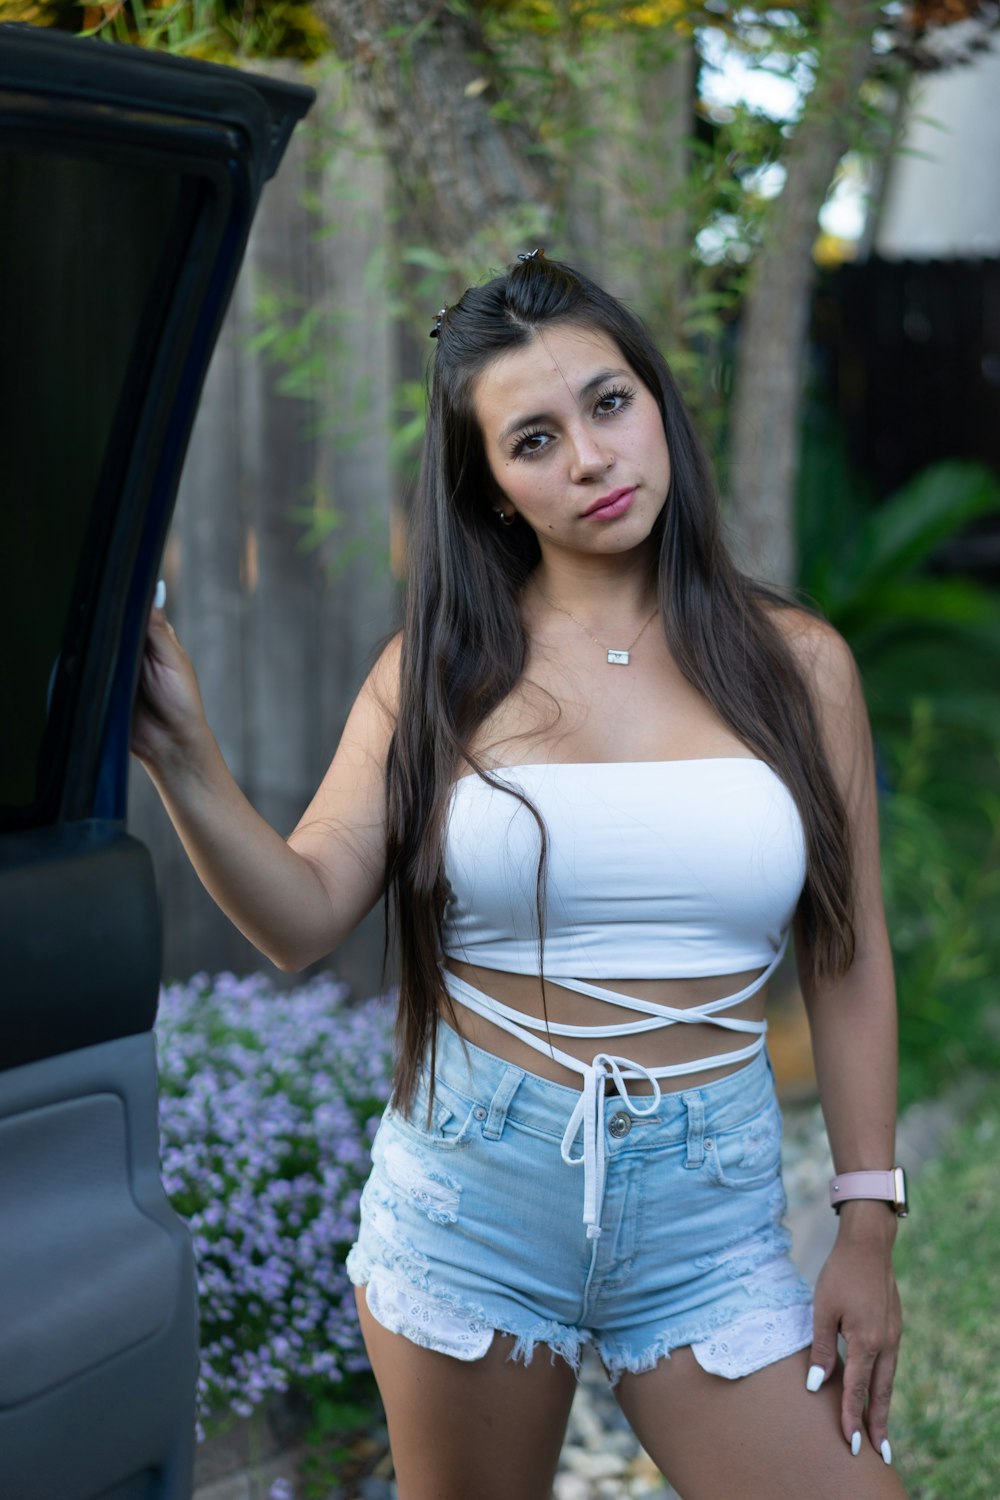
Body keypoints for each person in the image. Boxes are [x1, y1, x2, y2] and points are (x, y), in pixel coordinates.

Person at [132, 251, 909, 1500]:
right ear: (490, 485)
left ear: (657, 403)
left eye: (608, 405)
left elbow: (848, 949)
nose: (591, 459)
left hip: (708, 1218)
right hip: (473, 1198)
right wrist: (181, 755)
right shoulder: (434, 675)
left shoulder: (798, 667)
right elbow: (301, 914)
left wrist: (865, 1222)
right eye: (533, 439)